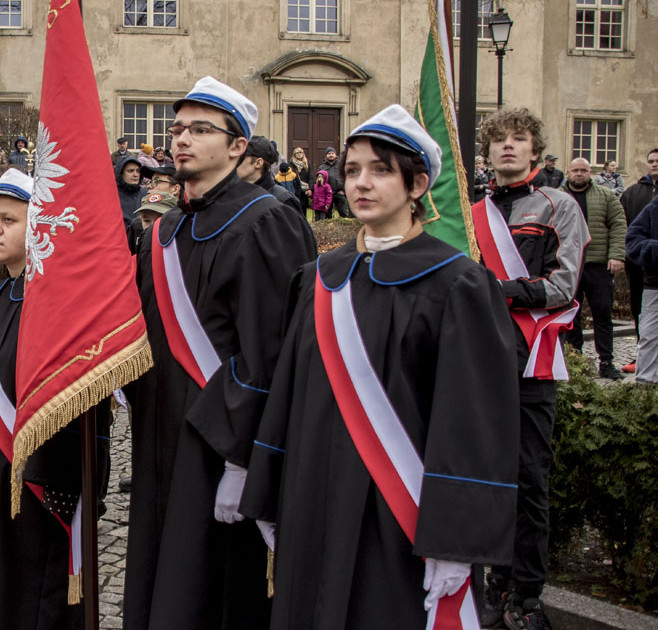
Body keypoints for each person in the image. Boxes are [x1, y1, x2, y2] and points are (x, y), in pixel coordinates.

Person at [240, 103, 521, 630]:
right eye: (351, 170)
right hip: (311, 496)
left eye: (380, 169)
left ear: (417, 185)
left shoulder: (457, 283)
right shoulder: (319, 278)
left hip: (398, 511)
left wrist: (456, 540)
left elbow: (474, 420)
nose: (360, 183)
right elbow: (287, 394)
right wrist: (270, 489)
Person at [128, 77, 316, 630]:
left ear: (239, 147)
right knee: (161, 566)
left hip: (219, 444)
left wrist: (244, 461)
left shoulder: (266, 222)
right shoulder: (165, 232)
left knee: (212, 585)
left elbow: (273, 352)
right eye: (178, 128)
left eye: (201, 129)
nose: (182, 139)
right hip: (158, 428)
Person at [0, 168, 105, 630]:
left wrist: (66, 478)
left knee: (26, 583)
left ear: (41, 227)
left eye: (10, 220)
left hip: (35, 475)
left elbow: (81, 401)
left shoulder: (60, 304)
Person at [473, 108, 589, 630]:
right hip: (478, 362)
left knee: (527, 480)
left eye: (519, 139)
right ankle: (494, 584)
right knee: (484, 477)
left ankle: (527, 593)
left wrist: (503, 293)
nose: (508, 147)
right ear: (487, 152)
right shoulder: (473, 213)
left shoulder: (558, 205)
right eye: (499, 140)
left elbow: (565, 285)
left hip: (530, 363)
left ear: (535, 150)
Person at [561, 157, 627, 380]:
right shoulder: (557, 197)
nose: (579, 174)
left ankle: (606, 361)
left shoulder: (606, 196)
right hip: (568, 266)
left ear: (591, 172)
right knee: (571, 315)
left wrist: (617, 255)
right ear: (568, 172)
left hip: (598, 265)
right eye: (575, 170)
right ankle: (574, 360)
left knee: (602, 314)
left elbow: (618, 224)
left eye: (584, 170)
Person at [620, 148, 658, 371]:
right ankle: (646, 375)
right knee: (645, 321)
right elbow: (627, 232)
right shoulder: (634, 192)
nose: (654, 164)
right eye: (651, 161)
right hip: (645, 270)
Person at [626, 196, 658, 383]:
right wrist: (654, 251)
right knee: (649, 337)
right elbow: (633, 241)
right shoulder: (653, 207)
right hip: (655, 285)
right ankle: (645, 389)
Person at [237, 135, 301, 215]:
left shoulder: (283, 200)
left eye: (240, 158)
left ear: (258, 163)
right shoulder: (234, 196)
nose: (234, 163)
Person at [318, 148, 349, 218]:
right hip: (327, 194)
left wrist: (343, 190)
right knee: (328, 215)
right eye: (329, 154)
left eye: (332, 153)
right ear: (326, 155)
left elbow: (346, 177)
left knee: (343, 213)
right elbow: (319, 180)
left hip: (339, 192)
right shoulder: (322, 167)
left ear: (335, 154)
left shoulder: (341, 165)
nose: (331, 155)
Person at [114, 155, 144, 225]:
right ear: (121, 173)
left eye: (138, 171)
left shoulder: (145, 193)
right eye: (130, 171)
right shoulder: (113, 195)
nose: (135, 174)